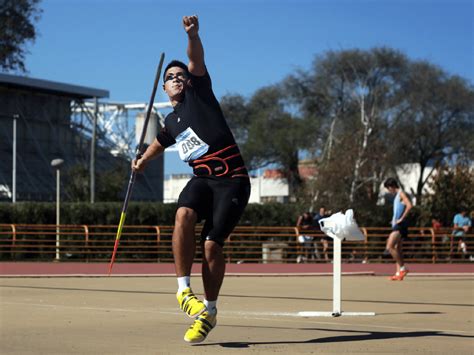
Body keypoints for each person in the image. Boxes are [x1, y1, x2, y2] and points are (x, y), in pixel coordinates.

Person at [132, 15, 251, 344]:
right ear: (164, 87)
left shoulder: (200, 94)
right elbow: (160, 143)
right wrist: (141, 162)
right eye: (170, 77)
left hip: (232, 180)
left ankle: (209, 311)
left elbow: (196, 59)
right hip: (203, 179)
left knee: (212, 245)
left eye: (180, 75)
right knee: (182, 214)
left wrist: (193, 35)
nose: (177, 79)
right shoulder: (170, 121)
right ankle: (184, 292)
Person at [383, 178, 412, 281]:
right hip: (397, 224)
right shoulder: (397, 196)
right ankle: (398, 272)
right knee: (397, 248)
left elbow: (409, 205)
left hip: (401, 225)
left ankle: (403, 268)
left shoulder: (401, 193)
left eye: (388, 188)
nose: (388, 190)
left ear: (392, 186)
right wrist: (394, 220)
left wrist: (401, 219)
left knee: (390, 246)